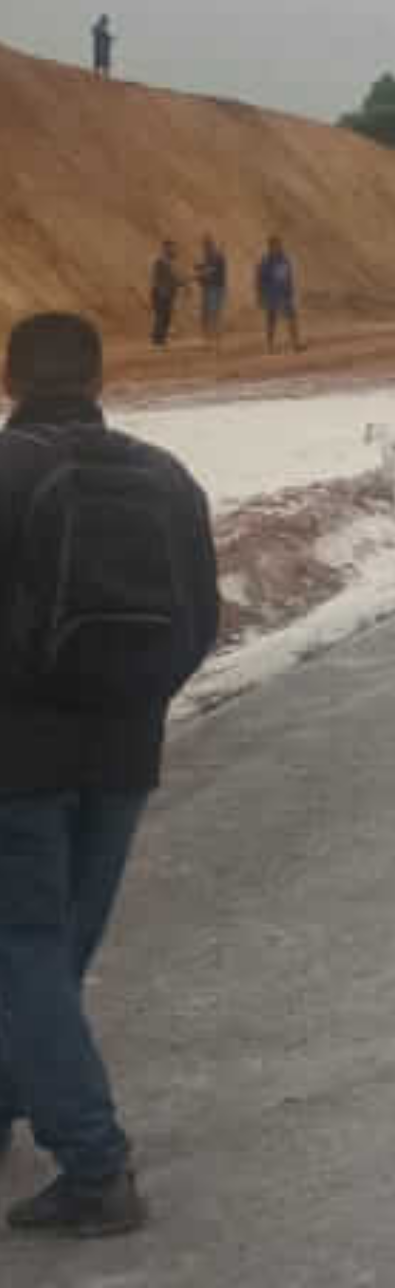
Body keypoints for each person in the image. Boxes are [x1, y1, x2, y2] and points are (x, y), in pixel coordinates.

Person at [0, 313, 220, 1238]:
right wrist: (134, 707)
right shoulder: (167, 478)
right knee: (50, 957)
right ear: (98, 378)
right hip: (124, 757)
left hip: (16, 761)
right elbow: (200, 621)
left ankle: (95, 1166)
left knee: (24, 953)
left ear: (11, 379)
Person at [255, 238, 299, 352]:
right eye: (276, 246)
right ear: (270, 247)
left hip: (284, 294)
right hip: (271, 294)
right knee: (271, 320)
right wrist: (260, 295)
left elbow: (288, 276)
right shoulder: (265, 262)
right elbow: (259, 279)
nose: (278, 248)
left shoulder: (284, 259)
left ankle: (295, 343)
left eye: (279, 245)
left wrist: (290, 290)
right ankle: (269, 346)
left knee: (291, 317)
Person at [144, 245, 181, 351]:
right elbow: (168, 278)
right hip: (161, 293)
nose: (174, 251)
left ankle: (160, 339)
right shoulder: (161, 262)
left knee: (165, 317)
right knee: (162, 316)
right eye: (172, 249)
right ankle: (158, 340)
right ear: (166, 249)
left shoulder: (167, 263)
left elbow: (174, 278)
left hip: (165, 293)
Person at [191, 239, 227, 347]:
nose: (205, 249)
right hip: (209, 288)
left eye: (207, 246)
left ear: (211, 246)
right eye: (205, 246)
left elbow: (211, 271)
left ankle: (214, 338)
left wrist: (196, 275)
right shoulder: (209, 257)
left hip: (216, 288)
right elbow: (205, 270)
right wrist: (199, 269)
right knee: (207, 313)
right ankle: (208, 337)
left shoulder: (218, 257)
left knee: (213, 313)